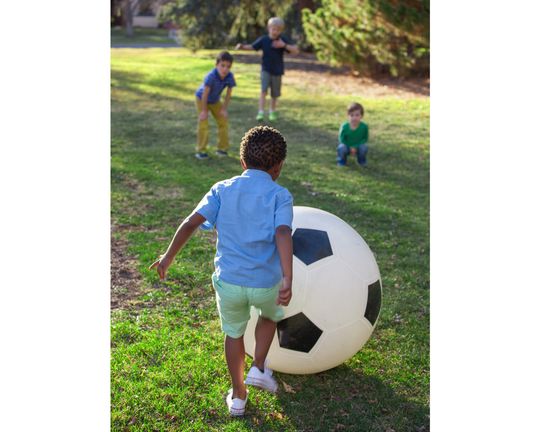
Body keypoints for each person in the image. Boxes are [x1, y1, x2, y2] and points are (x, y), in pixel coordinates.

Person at [150, 126, 293, 416]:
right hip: (266, 281)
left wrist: (167, 257)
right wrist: (287, 276)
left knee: (233, 333)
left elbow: (192, 221)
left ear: (242, 163)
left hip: (228, 281)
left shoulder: (222, 189)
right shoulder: (280, 195)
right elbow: (282, 232)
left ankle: (239, 394)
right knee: (269, 316)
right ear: (279, 167)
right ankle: (259, 366)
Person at [235, 17, 299, 122]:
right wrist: (242, 47)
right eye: (273, 29)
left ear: (281, 31)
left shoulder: (281, 40)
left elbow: (295, 50)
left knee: (274, 93)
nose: (275, 32)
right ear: (269, 28)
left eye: (278, 30)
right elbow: (252, 46)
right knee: (264, 90)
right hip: (266, 69)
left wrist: (283, 45)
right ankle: (261, 112)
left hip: (277, 70)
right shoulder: (264, 40)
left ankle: (272, 112)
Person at [194, 51, 236, 160]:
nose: (225, 69)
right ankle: (201, 150)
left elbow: (228, 94)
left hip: (215, 100)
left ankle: (222, 149)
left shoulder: (230, 77)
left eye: (228, 66)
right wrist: (204, 111)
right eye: (222, 66)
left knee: (223, 121)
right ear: (216, 65)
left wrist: (223, 109)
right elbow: (204, 94)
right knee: (203, 123)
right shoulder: (211, 76)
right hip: (202, 99)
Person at [336, 102, 370, 167]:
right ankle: (342, 161)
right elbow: (342, 139)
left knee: (364, 147)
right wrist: (350, 147)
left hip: (358, 146)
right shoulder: (344, 126)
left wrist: (355, 147)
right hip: (346, 145)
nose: (354, 118)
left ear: (362, 116)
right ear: (348, 116)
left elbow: (365, 138)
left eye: (357, 115)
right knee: (341, 148)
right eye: (352, 115)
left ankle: (362, 161)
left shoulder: (364, 126)